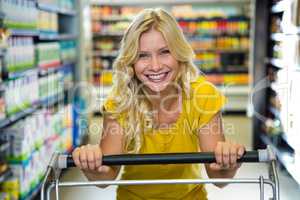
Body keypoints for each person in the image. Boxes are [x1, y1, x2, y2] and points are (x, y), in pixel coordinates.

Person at [72, 8, 245, 200]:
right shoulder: (121, 101)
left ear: (179, 54)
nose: (155, 66)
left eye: (164, 52)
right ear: (130, 61)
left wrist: (228, 162)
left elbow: (218, 178)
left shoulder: (203, 96)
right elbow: (106, 177)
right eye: (142, 55)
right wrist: (91, 163)